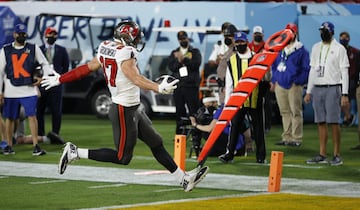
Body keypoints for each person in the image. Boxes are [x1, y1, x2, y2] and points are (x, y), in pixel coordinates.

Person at [41, 20, 209, 192]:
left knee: (156, 142)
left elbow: (87, 67)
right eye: (135, 38)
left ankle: (183, 179)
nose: (137, 41)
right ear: (126, 37)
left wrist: (60, 79)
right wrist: (157, 87)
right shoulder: (126, 53)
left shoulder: (106, 46)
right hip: (123, 109)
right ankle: (75, 152)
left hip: (133, 107)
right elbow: (135, 78)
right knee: (123, 157)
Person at [0, 23, 54, 155]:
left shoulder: (33, 48)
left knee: (32, 116)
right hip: (11, 88)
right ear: (14, 34)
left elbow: (44, 63)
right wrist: (0, 92)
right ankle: (8, 145)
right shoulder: (5, 50)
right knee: (10, 118)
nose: (22, 36)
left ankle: (36, 145)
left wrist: (44, 78)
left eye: (24, 34)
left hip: (28, 88)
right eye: (19, 34)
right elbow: (0, 72)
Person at [219, 31, 269, 164]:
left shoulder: (256, 58)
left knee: (258, 128)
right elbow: (229, 83)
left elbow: (265, 78)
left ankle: (261, 155)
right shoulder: (232, 60)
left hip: (254, 97)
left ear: (247, 42)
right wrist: (228, 103)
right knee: (234, 127)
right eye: (238, 42)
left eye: (242, 42)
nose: (240, 44)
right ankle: (230, 153)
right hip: (238, 100)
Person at [304, 21, 349, 166]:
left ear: (332, 32)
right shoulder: (316, 47)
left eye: (325, 30)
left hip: (332, 86)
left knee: (334, 122)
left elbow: (345, 72)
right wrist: (309, 90)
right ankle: (322, 153)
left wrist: (345, 93)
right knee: (320, 121)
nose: (323, 33)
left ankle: (337, 154)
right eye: (321, 30)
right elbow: (312, 70)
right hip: (318, 87)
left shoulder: (339, 48)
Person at [271, 23, 310, 147]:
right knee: (284, 111)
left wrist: (298, 81)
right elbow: (273, 65)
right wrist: (274, 79)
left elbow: (306, 69)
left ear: (295, 34)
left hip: (294, 85)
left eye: (290, 32)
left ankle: (296, 138)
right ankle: (287, 137)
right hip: (280, 84)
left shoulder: (301, 50)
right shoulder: (280, 49)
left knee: (295, 111)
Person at [167, 30, 202, 134]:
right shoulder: (174, 53)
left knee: (194, 110)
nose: (183, 40)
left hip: (191, 86)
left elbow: (196, 64)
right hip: (179, 86)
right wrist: (178, 60)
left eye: (184, 38)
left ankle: (197, 133)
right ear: (178, 40)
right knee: (179, 111)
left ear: (188, 39)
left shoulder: (194, 51)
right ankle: (180, 134)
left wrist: (184, 59)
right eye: (181, 39)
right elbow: (172, 67)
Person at [38, 27, 69, 139]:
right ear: (46, 35)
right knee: (40, 109)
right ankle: (40, 134)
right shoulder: (39, 50)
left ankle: (55, 133)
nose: (53, 37)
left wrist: (61, 79)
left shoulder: (62, 50)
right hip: (42, 82)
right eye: (51, 34)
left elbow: (65, 67)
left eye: (55, 35)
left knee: (56, 110)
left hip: (56, 83)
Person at [248, 25, 272, 133]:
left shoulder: (267, 47)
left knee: (266, 103)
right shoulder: (248, 47)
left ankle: (266, 125)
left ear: (263, 35)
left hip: (264, 78)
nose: (257, 36)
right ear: (253, 35)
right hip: (252, 78)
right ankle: (252, 125)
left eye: (259, 34)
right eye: (256, 34)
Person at [338, 31, 359, 128]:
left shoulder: (355, 52)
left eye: (345, 38)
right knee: (340, 100)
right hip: (338, 79)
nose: (343, 40)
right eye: (341, 38)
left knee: (351, 99)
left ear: (349, 39)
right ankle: (346, 117)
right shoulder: (336, 51)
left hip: (351, 79)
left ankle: (353, 117)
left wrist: (356, 78)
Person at [214, 23, 238, 105]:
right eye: (225, 36)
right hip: (223, 87)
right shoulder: (228, 50)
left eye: (229, 36)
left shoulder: (236, 51)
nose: (227, 38)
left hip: (229, 87)